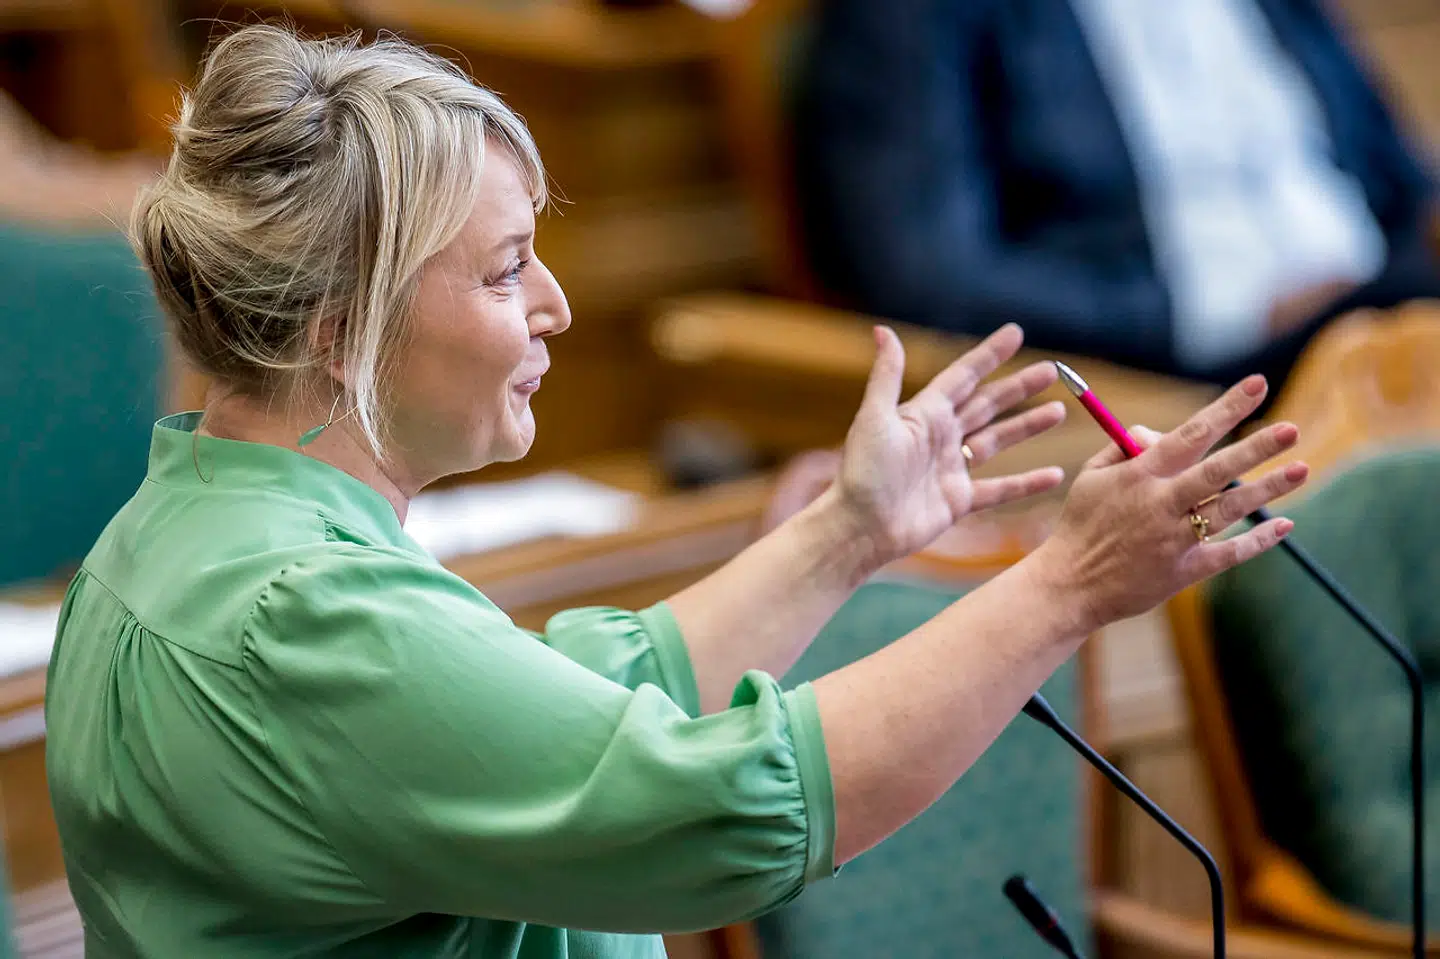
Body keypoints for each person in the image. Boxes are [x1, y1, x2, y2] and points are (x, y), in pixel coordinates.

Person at [44, 25, 1307, 958]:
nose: (556, 306)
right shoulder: (300, 616)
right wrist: (1067, 586)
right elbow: (727, 809)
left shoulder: (177, 530)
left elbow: (583, 704)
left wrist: (850, 531)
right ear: (340, 329)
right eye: (507, 270)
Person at [794, 0, 1440, 392]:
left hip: (1380, 300)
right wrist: (1212, 313)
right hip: (1176, 368)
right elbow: (929, 276)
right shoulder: (915, 14)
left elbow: (1396, 169)